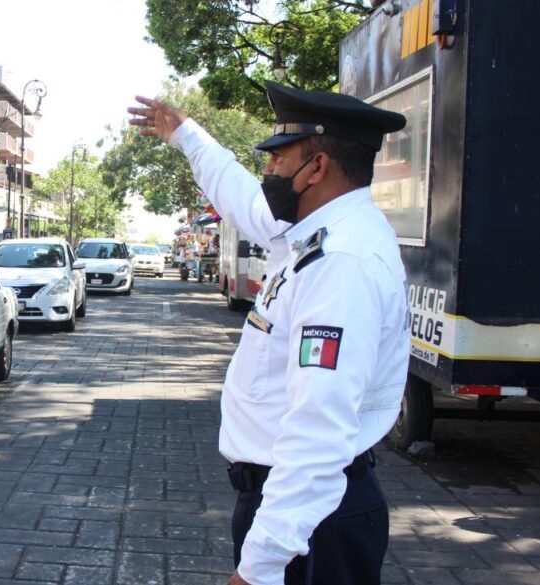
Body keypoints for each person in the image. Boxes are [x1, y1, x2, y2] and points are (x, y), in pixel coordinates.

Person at [128, 82, 409, 585]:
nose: (268, 172)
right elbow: (238, 196)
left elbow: (319, 432)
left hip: (313, 526)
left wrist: (260, 565)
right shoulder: (310, 233)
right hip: (299, 511)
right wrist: (187, 136)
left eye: (279, 161)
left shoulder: (341, 262)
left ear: (317, 168)